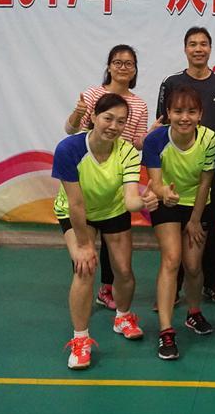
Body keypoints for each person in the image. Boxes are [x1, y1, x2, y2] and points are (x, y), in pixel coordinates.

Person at [52, 93, 159, 370]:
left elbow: (130, 200)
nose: (113, 126)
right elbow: (76, 204)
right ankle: (80, 339)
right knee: (84, 268)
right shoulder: (69, 149)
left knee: (124, 270)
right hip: (76, 213)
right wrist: (85, 244)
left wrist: (144, 202)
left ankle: (122, 317)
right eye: (108, 118)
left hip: (113, 210)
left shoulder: (127, 152)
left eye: (121, 121)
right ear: (94, 117)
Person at [64, 44, 152, 313]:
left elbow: (135, 143)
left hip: (116, 179)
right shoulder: (93, 95)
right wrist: (79, 112)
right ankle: (83, 318)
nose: (123, 67)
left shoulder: (139, 104)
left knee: (118, 256)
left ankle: (109, 291)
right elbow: (71, 130)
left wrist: (150, 137)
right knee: (85, 255)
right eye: (118, 62)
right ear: (109, 66)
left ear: (135, 70)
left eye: (129, 63)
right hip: (90, 175)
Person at [156, 27, 215, 305]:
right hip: (175, 168)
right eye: (192, 44)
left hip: (209, 165)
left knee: (206, 226)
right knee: (173, 229)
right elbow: (163, 121)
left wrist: (205, 147)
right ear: (185, 49)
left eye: (203, 44)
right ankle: (173, 288)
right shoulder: (171, 82)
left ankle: (212, 283)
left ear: (210, 48)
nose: (198, 49)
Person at [143, 85, 215, 360]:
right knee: (172, 260)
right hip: (167, 204)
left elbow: (205, 182)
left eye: (191, 111)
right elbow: (155, 182)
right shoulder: (155, 140)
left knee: (194, 265)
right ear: (168, 113)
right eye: (178, 111)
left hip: (197, 205)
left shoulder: (210, 139)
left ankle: (193, 313)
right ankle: (166, 330)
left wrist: (195, 219)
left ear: (200, 114)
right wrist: (165, 193)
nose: (184, 117)